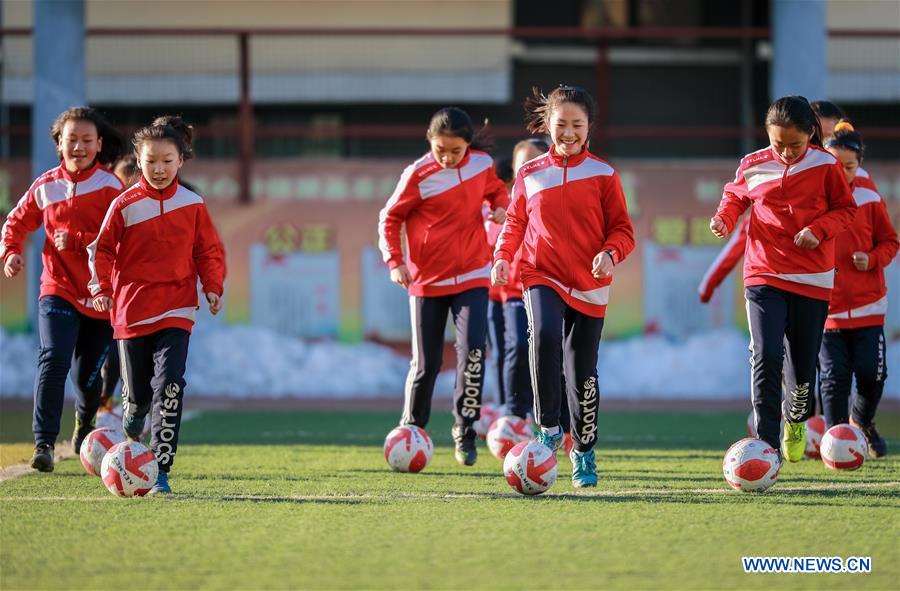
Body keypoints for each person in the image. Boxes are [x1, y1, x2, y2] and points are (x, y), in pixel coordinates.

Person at [492, 85, 635, 487]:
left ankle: (584, 451)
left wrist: (610, 253)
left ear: (589, 127)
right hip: (542, 273)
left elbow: (623, 230)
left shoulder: (604, 175)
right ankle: (547, 429)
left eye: (577, 124)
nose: (568, 133)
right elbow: (516, 223)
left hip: (591, 285)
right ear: (547, 125)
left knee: (582, 374)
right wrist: (503, 256)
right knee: (544, 335)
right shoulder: (529, 174)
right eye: (560, 125)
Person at [710, 96, 856, 463]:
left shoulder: (826, 166)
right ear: (767, 136)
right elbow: (735, 196)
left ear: (811, 134)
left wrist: (818, 230)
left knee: (802, 366)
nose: (787, 153)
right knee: (767, 354)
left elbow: (845, 210)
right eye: (779, 145)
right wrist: (724, 219)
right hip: (764, 272)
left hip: (812, 277)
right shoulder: (753, 164)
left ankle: (796, 421)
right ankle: (765, 442)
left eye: (795, 145)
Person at [88, 116, 226, 494]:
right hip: (132, 313)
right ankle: (131, 427)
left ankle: (160, 469)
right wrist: (101, 287)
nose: (160, 169)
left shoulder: (193, 203)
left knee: (170, 387)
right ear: (139, 159)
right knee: (137, 405)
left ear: (181, 160)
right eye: (151, 161)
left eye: (168, 161)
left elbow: (208, 251)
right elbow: (100, 250)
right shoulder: (124, 204)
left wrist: (212, 286)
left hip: (178, 308)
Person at [377, 107, 509, 466]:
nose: (448, 158)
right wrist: (395, 262)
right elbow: (390, 218)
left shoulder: (482, 165)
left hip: (472, 274)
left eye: (456, 151)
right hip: (427, 280)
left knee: (474, 352)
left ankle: (464, 431)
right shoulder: (417, 174)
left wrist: (500, 207)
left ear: (469, 146)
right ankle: (412, 429)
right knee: (427, 363)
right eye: (440, 150)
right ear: (429, 143)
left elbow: (498, 192)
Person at [1, 107, 125, 471]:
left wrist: (77, 239)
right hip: (58, 289)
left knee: (86, 380)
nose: (79, 147)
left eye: (87, 140)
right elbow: (16, 222)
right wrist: (10, 252)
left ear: (99, 144)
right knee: (52, 359)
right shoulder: (45, 186)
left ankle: (85, 422)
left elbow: (123, 240)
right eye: (72, 140)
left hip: (101, 298)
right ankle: (43, 445)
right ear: (59, 144)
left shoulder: (110, 188)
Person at [819, 122, 898, 456]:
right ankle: (834, 443)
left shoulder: (868, 198)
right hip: (828, 313)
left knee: (872, 375)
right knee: (833, 381)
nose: (842, 172)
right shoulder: (814, 201)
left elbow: (891, 241)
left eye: (849, 166)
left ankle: (862, 423)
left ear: (859, 165)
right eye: (835, 166)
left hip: (868, 310)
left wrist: (872, 257)